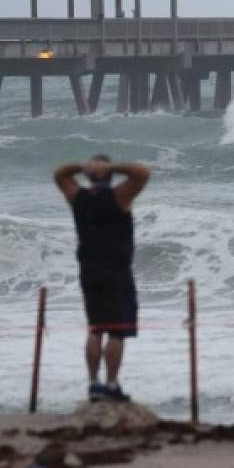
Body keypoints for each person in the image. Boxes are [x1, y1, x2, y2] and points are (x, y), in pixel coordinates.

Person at [54, 155, 150, 402]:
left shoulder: (78, 197)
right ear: (110, 176)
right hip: (116, 271)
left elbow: (60, 175)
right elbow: (142, 173)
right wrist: (115, 166)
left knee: (96, 329)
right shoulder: (120, 196)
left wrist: (80, 166)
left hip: (89, 270)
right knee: (117, 331)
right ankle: (111, 384)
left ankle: (93, 383)